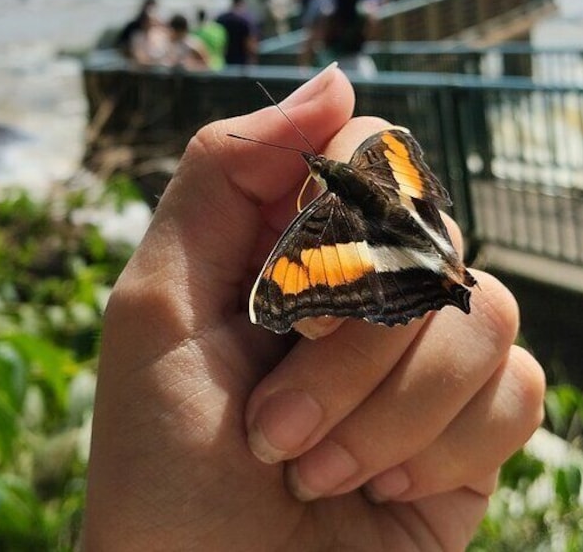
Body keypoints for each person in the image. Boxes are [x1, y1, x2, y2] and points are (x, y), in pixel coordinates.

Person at [82, 64, 545, 549]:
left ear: (321, 179)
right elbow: (391, 146)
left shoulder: (317, 220)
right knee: (412, 206)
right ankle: (443, 270)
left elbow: (296, 274)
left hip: (391, 259)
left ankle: (440, 273)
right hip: (401, 226)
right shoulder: (377, 156)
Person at [300, 0, 377, 76]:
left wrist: (304, 65)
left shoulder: (328, 15)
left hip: (350, 63)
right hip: (339, 64)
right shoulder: (328, 15)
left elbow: (311, 41)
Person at [216, 0, 259, 65]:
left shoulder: (221, 19)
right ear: (242, 3)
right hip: (241, 62)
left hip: (224, 61)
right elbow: (250, 43)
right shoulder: (246, 20)